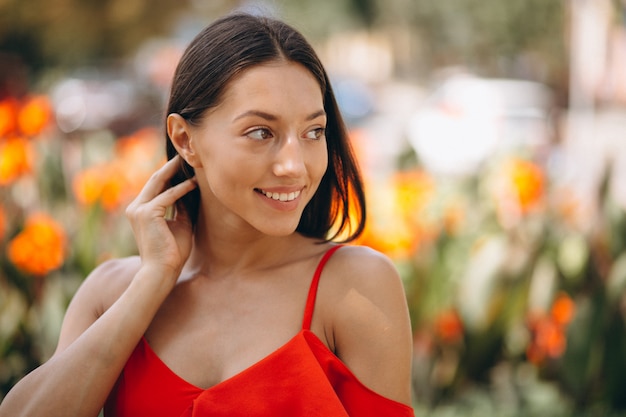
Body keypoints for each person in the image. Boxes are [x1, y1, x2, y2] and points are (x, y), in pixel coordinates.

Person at [0, 12, 414, 417]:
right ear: (185, 139)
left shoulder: (355, 288)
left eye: (313, 132)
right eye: (260, 132)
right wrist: (153, 281)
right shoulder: (111, 293)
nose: (294, 165)